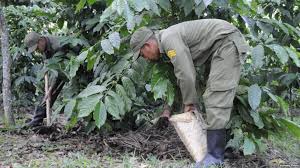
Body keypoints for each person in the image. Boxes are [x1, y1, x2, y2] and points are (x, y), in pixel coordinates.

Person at [130, 19, 249, 167]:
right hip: (220, 46)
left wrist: (189, 103)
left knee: (217, 95)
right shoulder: (167, 41)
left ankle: (214, 156)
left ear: (147, 45)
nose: (145, 59)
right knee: (214, 94)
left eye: (142, 54)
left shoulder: (168, 39)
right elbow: (182, 76)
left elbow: (186, 74)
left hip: (226, 43)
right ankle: (220, 149)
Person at [24, 32, 67, 127]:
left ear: (41, 40)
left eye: (36, 47)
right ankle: (37, 119)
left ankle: (37, 119)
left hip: (70, 64)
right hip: (57, 65)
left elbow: (58, 73)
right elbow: (47, 62)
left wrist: (50, 89)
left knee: (52, 91)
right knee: (44, 90)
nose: (36, 51)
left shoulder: (57, 45)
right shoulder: (44, 47)